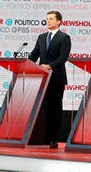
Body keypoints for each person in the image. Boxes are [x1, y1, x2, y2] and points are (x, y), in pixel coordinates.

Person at [29, 10, 72, 149]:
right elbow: (35, 54)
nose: (48, 21)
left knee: (55, 108)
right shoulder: (41, 37)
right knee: (43, 108)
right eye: (47, 19)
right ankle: (43, 137)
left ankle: (53, 138)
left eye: (51, 19)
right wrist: (26, 63)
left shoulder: (64, 37)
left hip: (56, 78)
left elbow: (63, 57)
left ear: (59, 21)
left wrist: (49, 66)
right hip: (42, 78)